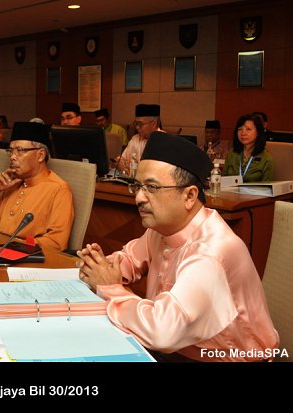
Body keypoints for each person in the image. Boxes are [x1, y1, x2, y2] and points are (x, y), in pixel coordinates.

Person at [77, 132, 278, 361]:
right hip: (176, 351)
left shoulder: (210, 252)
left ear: (190, 196)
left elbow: (162, 332)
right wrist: (100, 266)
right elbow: (129, 260)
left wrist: (110, 288)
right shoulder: (162, 227)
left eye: (152, 187)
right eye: (138, 186)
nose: (139, 198)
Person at [0, 122, 74, 251]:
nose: (12, 157)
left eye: (20, 150)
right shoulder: (13, 181)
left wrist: (15, 244)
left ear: (40, 155)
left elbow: (56, 242)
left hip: (25, 255)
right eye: (10, 151)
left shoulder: (58, 189)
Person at [223, 113, 273, 182]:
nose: (243, 133)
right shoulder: (232, 154)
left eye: (248, 129)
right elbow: (222, 180)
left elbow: (268, 186)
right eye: (240, 129)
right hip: (229, 189)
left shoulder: (266, 158)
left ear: (258, 132)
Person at [117, 104, 162, 174]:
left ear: (154, 123)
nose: (137, 127)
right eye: (136, 123)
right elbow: (123, 159)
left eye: (140, 124)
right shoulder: (135, 139)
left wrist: (126, 170)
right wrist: (119, 162)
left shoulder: (163, 142)